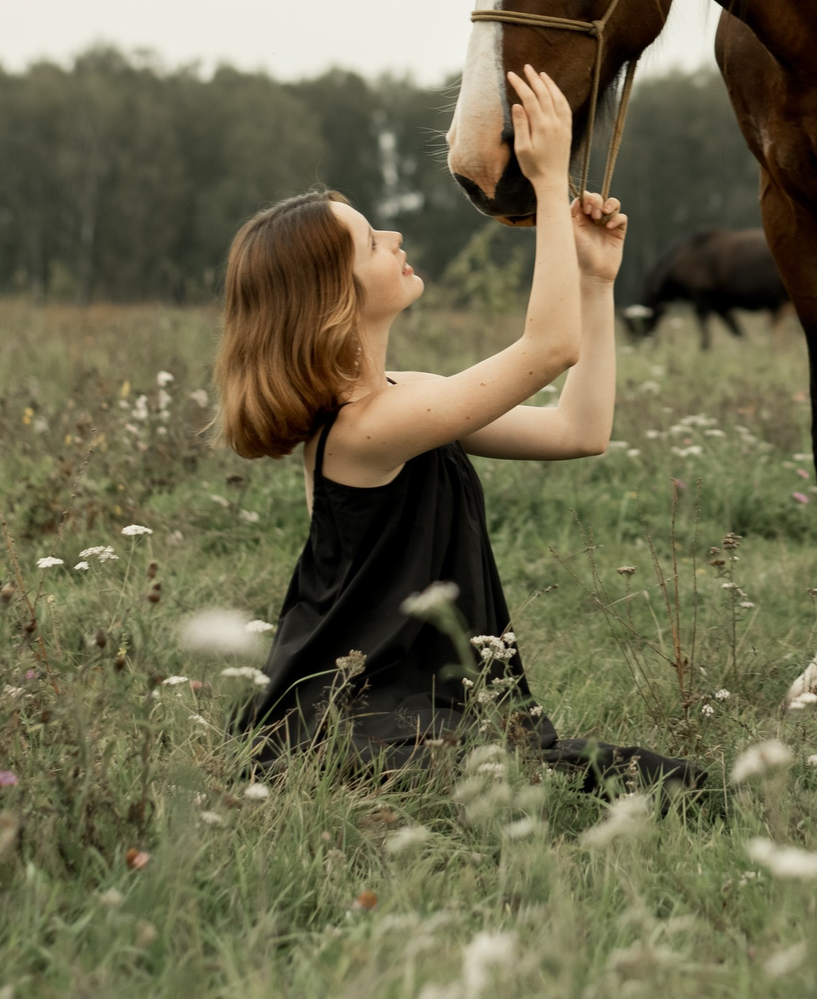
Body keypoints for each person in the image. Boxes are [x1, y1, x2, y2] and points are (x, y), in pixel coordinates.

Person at [214, 64, 702, 794]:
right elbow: (545, 349)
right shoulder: (368, 429)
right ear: (332, 297)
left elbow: (579, 428)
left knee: (642, 782)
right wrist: (545, 181)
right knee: (627, 784)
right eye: (369, 241)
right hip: (369, 717)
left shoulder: (403, 399)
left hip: (421, 709)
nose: (394, 233)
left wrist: (596, 281)